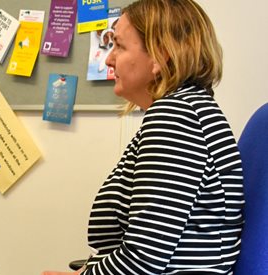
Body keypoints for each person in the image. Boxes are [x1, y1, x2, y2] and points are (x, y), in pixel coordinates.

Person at [43, 0, 244, 274]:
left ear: (161, 57)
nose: (108, 59)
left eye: (120, 46)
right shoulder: (189, 110)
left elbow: (142, 260)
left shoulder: (177, 116)